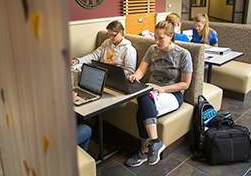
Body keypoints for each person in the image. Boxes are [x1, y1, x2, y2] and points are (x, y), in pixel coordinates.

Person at [125, 21, 193, 167]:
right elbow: (142, 70)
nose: (157, 41)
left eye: (161, 38)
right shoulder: (152, 49)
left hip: (173, 94)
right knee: (142, 94)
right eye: (155, 37)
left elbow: (185, 84)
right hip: (151, 91)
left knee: (142, 106)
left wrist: (163, 89)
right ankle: (154, 144)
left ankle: (146, 149)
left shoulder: (183, 54)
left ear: (171, 36)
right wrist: (135, 76)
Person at [71, 20, 137, 76]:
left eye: (113, 35)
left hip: (115, 78)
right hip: (101, 75)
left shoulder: (129, 49)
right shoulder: (107, 42)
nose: (111, 38)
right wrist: (78, 61)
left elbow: (129, 72)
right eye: (109, 35)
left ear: (121, 32)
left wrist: (111, 75)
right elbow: (94, 55)